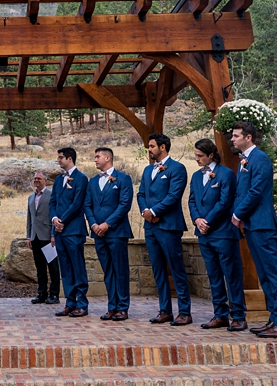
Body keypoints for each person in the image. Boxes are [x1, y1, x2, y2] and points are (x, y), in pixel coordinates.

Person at [230, 120, 277, 338]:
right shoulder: (244, 161)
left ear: (248, 137)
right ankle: (275, 318)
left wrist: (238, 215)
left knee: (273, 273)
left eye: (236, 135)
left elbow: (256, 191)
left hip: (262, 223)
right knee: (264, 276)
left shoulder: (261, 159)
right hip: (252, 224)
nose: (232, 139)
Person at [187, 138, 246, 331]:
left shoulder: (226, 174)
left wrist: (208, 221)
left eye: (200, 156)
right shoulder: (196, 176)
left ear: (211, 155)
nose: (196, 159)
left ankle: (238, 315)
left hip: (223, 232)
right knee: (213, 275)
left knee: (232, 275)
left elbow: (225, 202)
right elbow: (192, 201)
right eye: (195, 155)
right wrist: (197, 220)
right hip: (204, 234)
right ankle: (219, 314)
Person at [137, 133, 192, 325]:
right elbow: (141, 193)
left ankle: (184, 311)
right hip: (150, 226)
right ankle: (165, 310)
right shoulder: (146, 170)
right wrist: (145, 211)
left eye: (152, 146)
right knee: (158, 269)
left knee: (176, 268)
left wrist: (154, 210)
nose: (149, 150)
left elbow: (174, 195)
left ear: (163, 147)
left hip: (168, 225)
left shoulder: (177, 168)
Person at [84, 147, 134, 321]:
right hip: (98, 233)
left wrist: (107, 224)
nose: (95, 160)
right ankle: (112, 306)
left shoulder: (123, 179)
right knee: (108, 271)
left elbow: (124, 205)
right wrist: (93, 224)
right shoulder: (92, 182)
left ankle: (122, 307)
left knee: (120, 270)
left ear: (108, 158)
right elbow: (87, 205)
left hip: (116, 232)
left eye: (97, 157)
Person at [49, 147, 89, 317]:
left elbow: (77, 204)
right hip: (59, 232)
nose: (58, 161)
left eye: (60, 158)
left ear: (70, 159)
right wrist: (54, 220)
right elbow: (52, 202)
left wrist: (62, 221)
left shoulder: (81, 179)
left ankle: (82, 304)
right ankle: (69, 303)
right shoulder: (58, 180)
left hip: (73, 230)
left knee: (77, 267)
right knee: (65, 269)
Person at [25, 171, 60, 305]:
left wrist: (53, 234)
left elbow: (54, 215)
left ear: (45, 180)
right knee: (40, 267)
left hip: (47, 237)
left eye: (39, 178)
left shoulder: (51, 195)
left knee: (53, 267)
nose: (36, 180)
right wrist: (29, 236)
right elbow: (30, 218)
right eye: (35, 178)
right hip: (35, 237)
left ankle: (55, 294)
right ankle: (42, 293)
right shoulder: (30, 197)